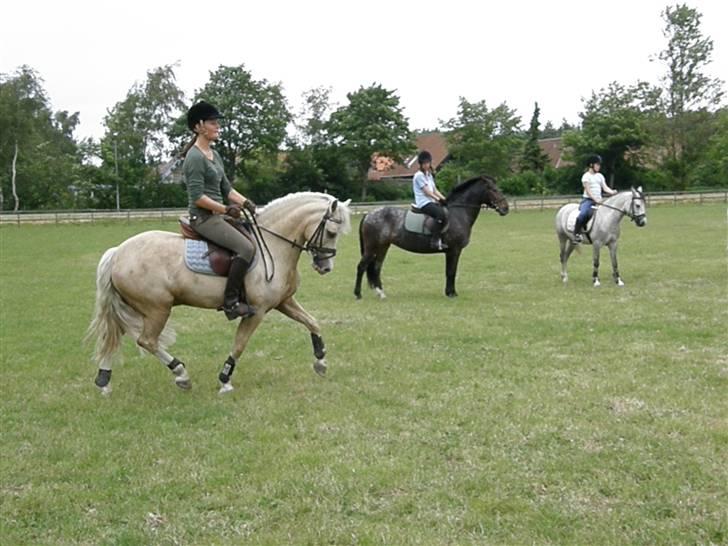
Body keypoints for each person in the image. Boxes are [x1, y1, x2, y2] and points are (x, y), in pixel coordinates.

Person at [183, 100, 257, 320]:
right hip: (204, 218)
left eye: (217, 123)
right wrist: (226, 208)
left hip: (220, 215)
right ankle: (231, 302)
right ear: (199, 126)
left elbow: (227, 188)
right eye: (213, 123)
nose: (218, 127)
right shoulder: (194, 158)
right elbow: (198, 198)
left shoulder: (215, 156)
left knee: (254, 236)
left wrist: (246, 203)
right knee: (246, 248)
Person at [573, 154, 617, 243]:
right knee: (583, 214)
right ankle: (576, 234)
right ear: (591, 165)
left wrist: (612, 192)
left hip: (599, 200)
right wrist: (595, 199)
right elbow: (588, 191)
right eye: (597, 164)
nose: (599, 166)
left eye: (599, 165)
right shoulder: (586, 176)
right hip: (588, 200)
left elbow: (605, 188)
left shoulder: (600, 176)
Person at [412, 150, 448, 250]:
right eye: (425, 163)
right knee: (440, 214)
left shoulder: (428, 175)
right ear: (421, 164)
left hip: (430, 201)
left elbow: (434, 190)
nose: (427, 165)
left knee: (446, 211)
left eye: (428, 163)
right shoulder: (418, 176)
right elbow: (426, 191)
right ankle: (435, 241)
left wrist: (444, 199)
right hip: (423, 202)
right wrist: (438, 199)